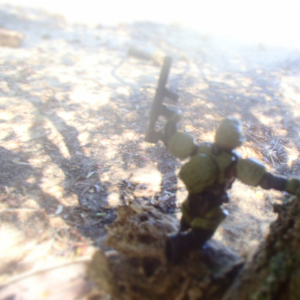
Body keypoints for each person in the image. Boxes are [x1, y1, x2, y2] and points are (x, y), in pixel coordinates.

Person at [150, 105, 300, 264]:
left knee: (186, 221)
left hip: (192, 199)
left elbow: (173, 140)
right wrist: (290, 186)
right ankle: (179, 246)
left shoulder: (203, 149)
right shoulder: (234, 163)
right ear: (237, 140)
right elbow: (266, 180)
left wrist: (172, 119)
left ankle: (180, 239)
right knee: (201, 235)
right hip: (211, 206)